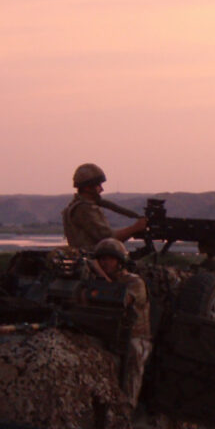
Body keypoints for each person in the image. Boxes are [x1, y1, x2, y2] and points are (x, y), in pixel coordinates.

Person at [91, 238, 152, 406]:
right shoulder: (97, 280)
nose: (104, 263)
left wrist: (101, 276)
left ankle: (128, 405)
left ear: (120, 261)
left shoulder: (134, 282)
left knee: (134, 354)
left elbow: (121, 300)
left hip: (135, 337)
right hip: (109, 334)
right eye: (101, 259)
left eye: (109, 259)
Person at [62, 163, 147, 250]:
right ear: (88, 187)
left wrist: (134, 230)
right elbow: (108, 240)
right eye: (98, 185)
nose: (102, 189)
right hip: (93, 260)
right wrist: (135, 228)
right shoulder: (84, 209)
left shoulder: (77, 206)